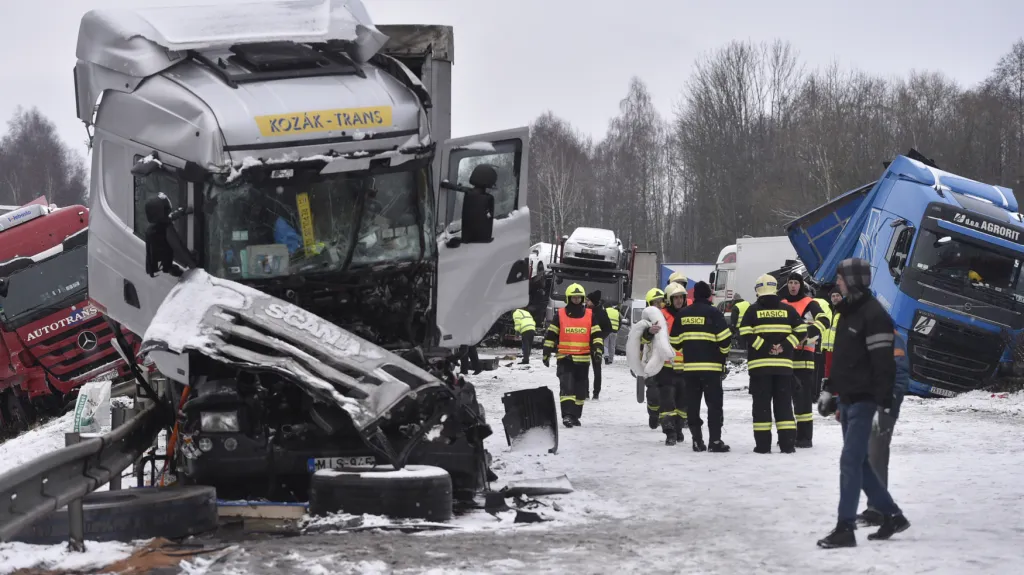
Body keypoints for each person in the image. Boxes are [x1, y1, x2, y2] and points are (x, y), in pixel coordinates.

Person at [816, 258, 910, 549]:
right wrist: (830, 390)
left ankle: (845, 528)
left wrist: (883, 407)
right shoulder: (845, 313)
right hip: (848, 400)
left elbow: (885, 367)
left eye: (842, 278)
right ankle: (892, 515)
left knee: (850, 461)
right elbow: (844, 360)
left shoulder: (874, 315)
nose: (838, 283)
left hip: (866, 402)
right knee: (863, 465)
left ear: (854, 280)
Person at [739, 274, 801, 454]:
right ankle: (788, 445)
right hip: (783, 368)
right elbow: (801, 330)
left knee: (761, 407)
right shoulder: (788, 310)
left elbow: (744, 332)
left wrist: (765, 347)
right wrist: (783, 346)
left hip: (760, 368)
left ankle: (763, 446)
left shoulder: (752, 311)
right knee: (784, 406)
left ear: (757, 290)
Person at [678, 281, 732, 452]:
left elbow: (675, 343)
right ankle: (715, 441)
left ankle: (696, 440)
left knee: (692, 406)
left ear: (694, 296)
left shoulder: (683, 314)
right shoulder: (714, 313)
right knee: (714, 406)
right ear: (709, 295)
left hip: (691, 369)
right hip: (712, 370)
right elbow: (725, 340)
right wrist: (721, 355)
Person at [779, 273, 831, 448]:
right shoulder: (782, 303)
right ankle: (787, 436)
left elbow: (825, 320)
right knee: (785, 398)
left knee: (803, 400)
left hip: (804, 357)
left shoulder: (810, 303)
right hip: (785, 357)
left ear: (801, 285)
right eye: (790, 283)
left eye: (796, 283)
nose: (793, 286)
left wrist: (807, 335)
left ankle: (804, 438)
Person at [543, 283, 603, 428]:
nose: (576, 300)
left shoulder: (590, 315)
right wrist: (546, 352)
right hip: (565, 358)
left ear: (582, 298)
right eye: (573, 297)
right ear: (569, 298)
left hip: (583, 360)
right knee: (567, 387)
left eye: (579, 297)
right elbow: (551, 334)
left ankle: (575, 415)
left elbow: (596, 335)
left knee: (580, 391)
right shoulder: (561, 314)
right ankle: (567, 415)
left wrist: (597, 350)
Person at [644, 283, 688, 445]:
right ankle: (669, 431)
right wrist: (649, 332)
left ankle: (678, 428)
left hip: (686, 367)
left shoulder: (689, 315)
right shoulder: (659, 315)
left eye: (681, 297)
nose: (678, 300)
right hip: (666, 367)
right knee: (667, 401)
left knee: (683, 404)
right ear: (669, 299)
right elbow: (643, 339)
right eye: (675, 297)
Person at [641, 288, 667, 430]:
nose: (658, 305)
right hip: (650, 360)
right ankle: (653, 414)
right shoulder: (645, 321)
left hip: (666, 361)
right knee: (653, 392)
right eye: (655, 302)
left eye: (660, 302)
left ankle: (664, 417)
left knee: (667, 391)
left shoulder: (668, 318)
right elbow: (640, 340)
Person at [586, 291, 612, 400]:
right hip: (585, 344)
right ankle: (585, 392)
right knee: (584, 369)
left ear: (593, 302)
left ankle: (596, 393)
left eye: (588, 300)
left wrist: (600, 338)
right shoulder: (586, 311)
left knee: (597, 369)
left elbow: (608, 328)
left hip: (597, 346)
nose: (586, 302)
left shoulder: (601, 313)